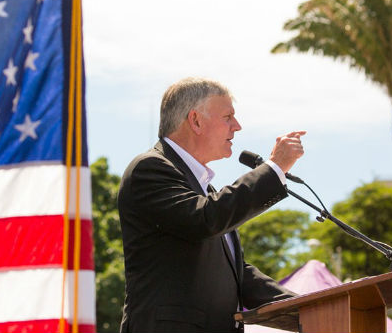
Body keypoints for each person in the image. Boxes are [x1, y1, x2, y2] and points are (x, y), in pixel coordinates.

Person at [118, 77, 306, 333]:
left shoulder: (204, 190)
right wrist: (273, 169)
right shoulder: (150, 168)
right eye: (228, 117)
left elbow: (239, 275)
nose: (237, 126)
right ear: (195, 120)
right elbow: (206, 219)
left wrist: (306, 308)